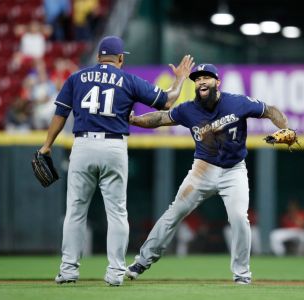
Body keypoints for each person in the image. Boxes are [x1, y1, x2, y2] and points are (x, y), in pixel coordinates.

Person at [37, 35, 194, 286]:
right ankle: (115, 272)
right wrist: (180, 78)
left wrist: (47, 146)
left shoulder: (77, 77)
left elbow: (60, 114)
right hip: (113, 145)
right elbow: (168, 100)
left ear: (99, 57)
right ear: (120, 59)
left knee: (76, 211)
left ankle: (68, 270)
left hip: (83, 144)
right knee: (117, 213)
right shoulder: (128, 79)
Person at [126, 63, 291, 285]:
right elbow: (161, 118)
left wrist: (285, 127)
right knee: (174, 213)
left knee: (240, 219)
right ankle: (141, 262)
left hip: (234, 171)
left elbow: (271, 110)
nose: (201, 81)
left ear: (217, 82)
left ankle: (242, 274)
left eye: (207, 77)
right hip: (202, 170)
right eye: (197, 78)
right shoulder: (188, 109)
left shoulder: (237, 102)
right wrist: (136, 120)